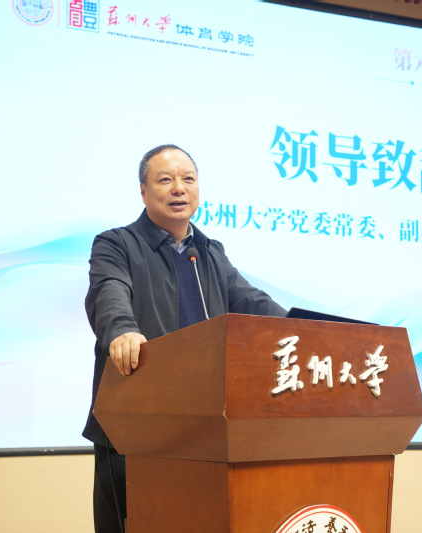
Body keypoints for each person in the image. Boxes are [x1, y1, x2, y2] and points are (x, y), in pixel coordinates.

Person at [83, 144, 287, 532]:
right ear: (143, 191)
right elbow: (109, 291)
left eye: (188, 179)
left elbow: (252, 302)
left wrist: (303, 329)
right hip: (135, 422)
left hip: (202, 428)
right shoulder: (117, 244)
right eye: (166, 179)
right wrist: (122, 330)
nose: (179, 187)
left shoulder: (208, 252)